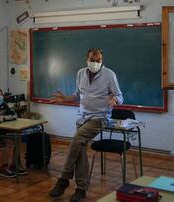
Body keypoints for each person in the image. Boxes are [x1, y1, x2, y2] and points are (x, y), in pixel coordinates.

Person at [49, 48, 123, 202]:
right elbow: (77, 95)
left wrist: (115, 100)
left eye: (98, 60)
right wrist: (66, 98)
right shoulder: (81, 73)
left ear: (102, 61)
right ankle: (81, 190)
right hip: (82, 118)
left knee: (76, 140)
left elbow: (120, 95)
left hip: (100, 118)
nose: (95, 63)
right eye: (92, 60)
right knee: (80, 148)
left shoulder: (109, 75)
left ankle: (64, 179)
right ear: (87, 59)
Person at [0, 87, 27, 177]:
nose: (0, 97)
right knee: (9, 142)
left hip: (2, 131)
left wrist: (2, 118)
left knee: (18, 138)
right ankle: (3, 167)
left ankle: (14, 165)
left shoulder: (3, 104)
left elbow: (14, 115)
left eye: (1, 95)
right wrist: (3, 119)